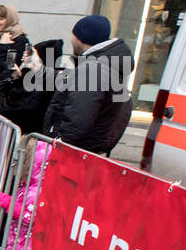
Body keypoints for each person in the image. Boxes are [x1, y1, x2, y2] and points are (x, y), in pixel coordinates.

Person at [43, 14, 133, 155]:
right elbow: (70, 85)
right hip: (89, 152)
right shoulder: (105, 66)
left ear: (81, 38)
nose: (72, 40)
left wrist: (57, 146)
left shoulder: (93, 69)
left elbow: (77, 120)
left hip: (75, 153)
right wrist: (41, 70)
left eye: (74, 35)